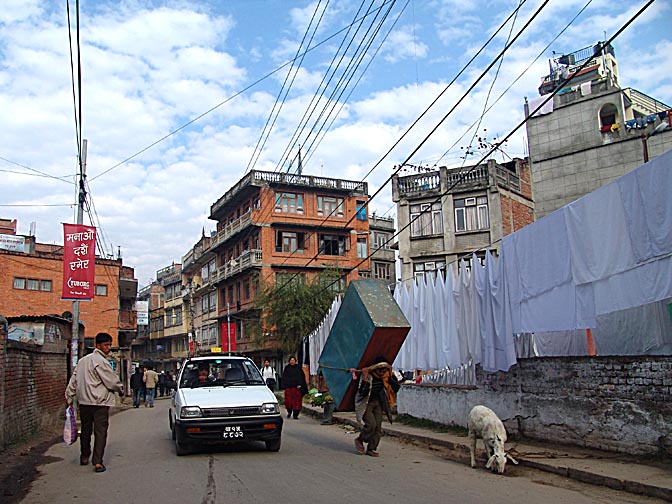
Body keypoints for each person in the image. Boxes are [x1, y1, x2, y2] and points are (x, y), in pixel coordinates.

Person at [65, 332, 124, 473]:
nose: (108, 348)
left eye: (110, 345)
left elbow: (74, 380)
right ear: (98, 345)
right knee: (100, 432)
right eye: (106, 345)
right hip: (100, 403)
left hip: (84, 402)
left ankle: (85, 456)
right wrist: (120, 389)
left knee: (86, 430)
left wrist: (69, 395)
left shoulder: (82, 361)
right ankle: (97, 462)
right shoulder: (101, 361)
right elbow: (111, 381)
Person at [354, 356, 400, 457]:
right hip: (366, 403)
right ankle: (360, 439)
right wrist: (365, 378)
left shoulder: (387, 376)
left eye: (384, 370)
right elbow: (362, 392)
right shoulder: (368, 376)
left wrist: (390, 377)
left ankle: (371, 448)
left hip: (378, 403)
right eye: (380, 370)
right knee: (371, 425)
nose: (381, 372)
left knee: (378, 429)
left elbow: (396, 388)